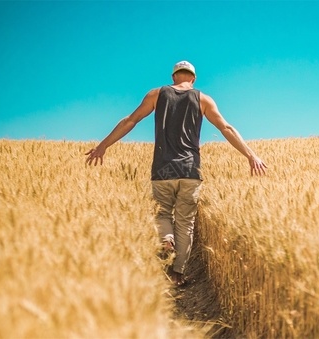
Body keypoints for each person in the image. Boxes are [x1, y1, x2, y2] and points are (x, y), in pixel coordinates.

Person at [85, 61, 267, 286]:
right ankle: (177, 274)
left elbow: (130, 121)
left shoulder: (156, 94)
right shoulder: (203, 99)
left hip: (163, 168)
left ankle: (166, 238)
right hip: (190, 170)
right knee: (185, 223)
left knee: (162, 214)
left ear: (173, 77)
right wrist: (251, 156)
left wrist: (103, 146)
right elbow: (226, 128)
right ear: (193, 79)